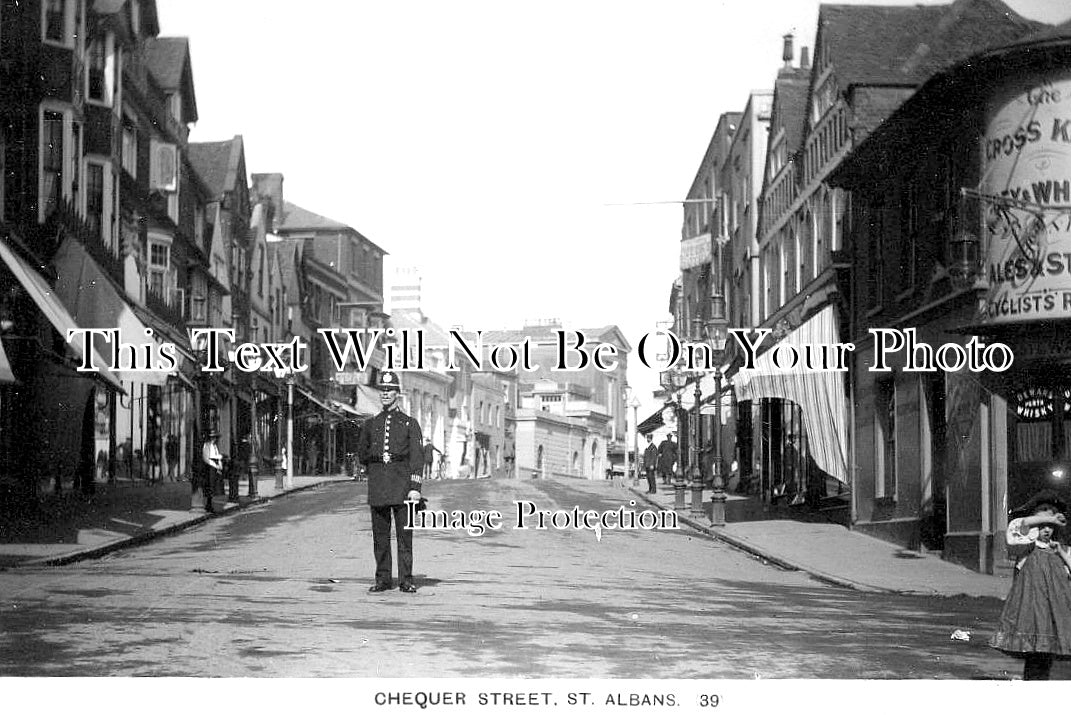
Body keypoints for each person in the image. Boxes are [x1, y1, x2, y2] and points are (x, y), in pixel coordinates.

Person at [990, 489, 1071, 680]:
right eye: (1042, 524)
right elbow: (1019, 525)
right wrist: (1050, 519)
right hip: (1032, 612)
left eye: (1050, 525)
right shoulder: (1026, 545)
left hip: (1054, 614)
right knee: (1034, 657)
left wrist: (1062, 552)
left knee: (1046, 657)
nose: (1046, 529)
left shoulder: (1061, 549)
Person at [356, 371, 425, 594]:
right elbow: (362, 454)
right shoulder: (370, 424)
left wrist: (415, 488)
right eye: (383, 390)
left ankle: (406, 579)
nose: (385, 394)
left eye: (390, 390)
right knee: (380, 537)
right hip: (378, 487)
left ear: (397, 394)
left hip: (403, 488)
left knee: (405, 536)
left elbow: (416, 458)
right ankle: (383, 579)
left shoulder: (409, 424)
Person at [200, 432, 223, 514]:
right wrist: (215, 465)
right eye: (212, 438)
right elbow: (206, 458)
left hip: (214, 467)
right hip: (209, 467)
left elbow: (217, 456)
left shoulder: (214, 446)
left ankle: (211, 504)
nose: (214, 439)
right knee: (209, 486)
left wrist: (219, 465)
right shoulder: (206, 445)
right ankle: (208, 505)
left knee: (214, 487)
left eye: (215, 438)